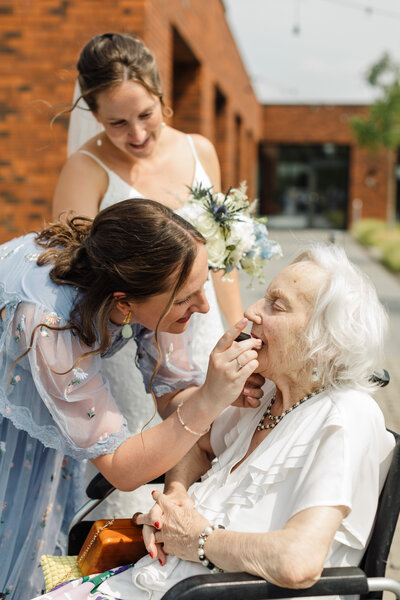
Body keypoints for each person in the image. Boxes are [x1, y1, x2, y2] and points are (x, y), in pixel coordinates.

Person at [33, 243, 395, 600]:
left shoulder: (346, 417)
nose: (252, 311)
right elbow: (195, 443)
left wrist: (199, 540)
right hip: (164, 584)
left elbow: (297, 561)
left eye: (276, 305)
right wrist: (176, 497)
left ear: (325, 342)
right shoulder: (264, 395)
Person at [0, 199, 263, 600]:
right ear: (123, 303)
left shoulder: (151, 272)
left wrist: (223, 394)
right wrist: (209, 400)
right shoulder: (49, 326)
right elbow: (123, 469)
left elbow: (173, 394)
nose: (205, 307)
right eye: (185, 299)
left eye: (203, 286)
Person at [52, 33, 244, 514]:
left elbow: (221, 259)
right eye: (117, 123)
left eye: (145, 115)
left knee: (216, 453)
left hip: (202, 329)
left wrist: (239, 331)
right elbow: (74, 277)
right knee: (140, 468)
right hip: (125, 350)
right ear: (94, 116)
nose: (136, 134)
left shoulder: (202, 150)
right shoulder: (85, 168)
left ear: (162, 97)